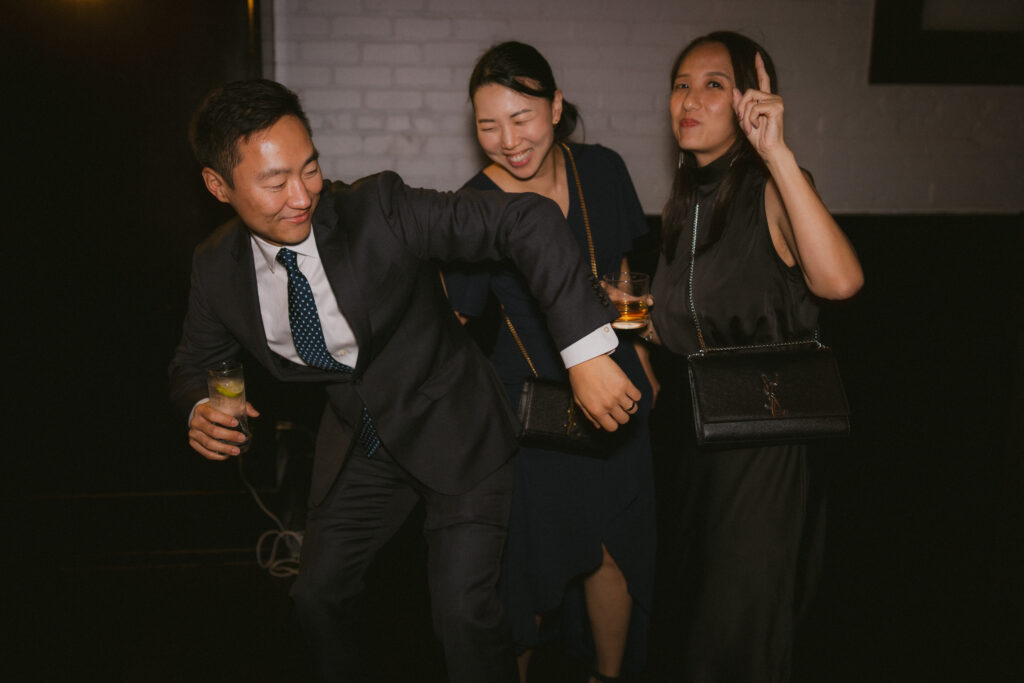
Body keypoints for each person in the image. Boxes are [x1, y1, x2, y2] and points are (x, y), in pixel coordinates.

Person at [167, 78, 645, 683]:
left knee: (462, 617)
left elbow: (525, 220)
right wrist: (198, 408)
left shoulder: (379, 210)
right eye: (274, 181)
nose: (300, 196)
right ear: (218, 185)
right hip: (364, 443)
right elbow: (193, 362)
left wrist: (586, 351)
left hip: (458, 427)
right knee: (314, 597)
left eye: (309, 169)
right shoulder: (215, 268)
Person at [640, 32, 864, 682]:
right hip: (696, 443)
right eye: (681, 83)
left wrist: (781, 155)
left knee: (735, 635)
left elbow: (841, 281)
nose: (689, 99)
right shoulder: (684, 206)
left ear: (750, 100)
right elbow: (686, 325)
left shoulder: (772, 188)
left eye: (714, 84)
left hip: (764, 444)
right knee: (690, 631)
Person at [443, 42, 657, 683]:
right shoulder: (473, 204)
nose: (507, 140)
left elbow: (624, 273)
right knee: (526, 580)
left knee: (612, 553)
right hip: (527, 411)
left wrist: (642, 351)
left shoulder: (604, 168)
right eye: (488, 125)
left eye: (522, 117)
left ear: (556, 106)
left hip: (615, 391)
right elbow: (455, 320)